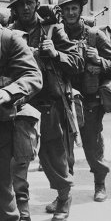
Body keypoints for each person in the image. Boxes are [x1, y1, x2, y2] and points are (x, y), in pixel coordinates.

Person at [8, 0, 84, 221]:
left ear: (36, 3)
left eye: (30, 2)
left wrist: (56, 54)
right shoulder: (9, 34)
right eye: (21, 4)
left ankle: (63, 198)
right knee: (18, 160)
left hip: (50, 104)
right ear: (15, 9)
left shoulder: (53, 30)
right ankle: (23, 209)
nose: (27, 8)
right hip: (21, 104)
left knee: (54, 159)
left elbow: (78, 63)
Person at [57, 0, 111, 202]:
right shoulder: (56, 34)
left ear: (80, 10)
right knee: (63, 151)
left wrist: (99, 61)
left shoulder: (95, 35)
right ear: (61, 13)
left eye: (74, 8)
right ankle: (63, 194)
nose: (71, 13)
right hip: (65, 99)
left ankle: (100, 184)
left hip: (90, 100)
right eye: (66, 9)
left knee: (92, 146)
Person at [0, 26, 42, 221]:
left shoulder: (7, 39)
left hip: (1, 126)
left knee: (3, 195)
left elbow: (33, 76)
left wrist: (8, 91)